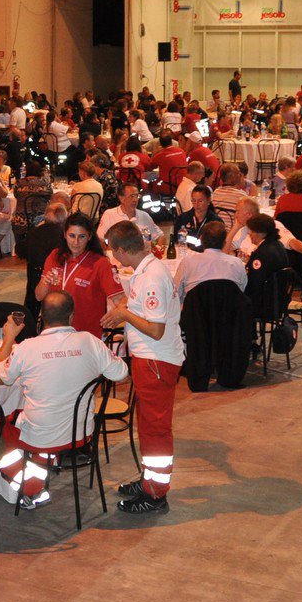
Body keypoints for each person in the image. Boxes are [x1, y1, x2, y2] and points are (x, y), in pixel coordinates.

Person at [0, 291, 128, 509]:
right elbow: (121, 373)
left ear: (41, 317)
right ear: (72, 316)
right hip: (81, 433)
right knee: (28, 423)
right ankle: (45, 464)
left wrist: (9, 338)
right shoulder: (91, 342)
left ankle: (30, 488)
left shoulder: (27, 348)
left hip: (41, 435)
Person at [100, 220, 185, 515]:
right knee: (147, 426)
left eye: (113, 251)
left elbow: (156, 329)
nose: (112, 256)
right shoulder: (145, 271)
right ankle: (149, 481)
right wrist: (122, 308)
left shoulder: (152, 277)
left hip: (156, 360)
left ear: (123, 250)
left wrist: (123, 314)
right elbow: (134, 300)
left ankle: (156, 494)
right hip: (149, 360)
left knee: (155, 430)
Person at [33, 212, 123, 335]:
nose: (76, 242)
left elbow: (121, 300)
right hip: (54, 333)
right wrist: (45, 282)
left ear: (90, 236)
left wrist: (116, 314)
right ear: (64, 235)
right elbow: (38, 296)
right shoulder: (55, 256)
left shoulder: (100, 264)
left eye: (82, 237)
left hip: (85, 334)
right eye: (71, 235)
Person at [173, 220, 247, 300]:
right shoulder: (237, 264)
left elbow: (175, 293)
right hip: (227, 310)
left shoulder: (187, 263)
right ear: (224, 243)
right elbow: (242, 291)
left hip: (195, 310)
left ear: (201, 240)